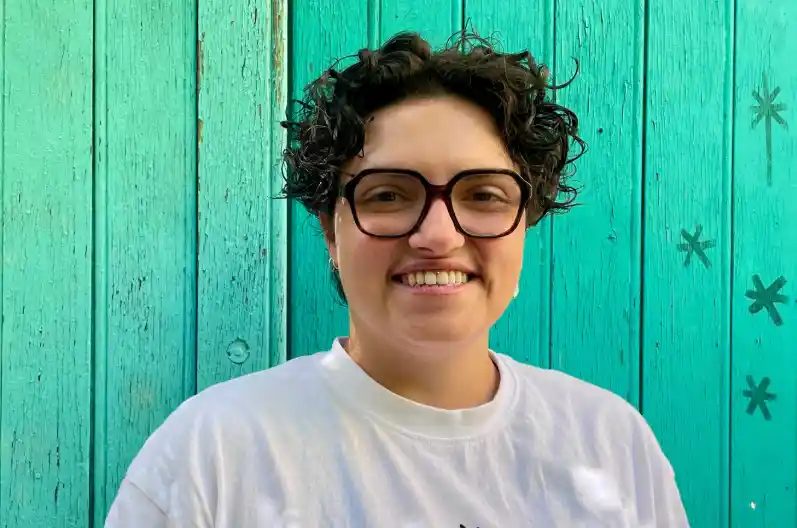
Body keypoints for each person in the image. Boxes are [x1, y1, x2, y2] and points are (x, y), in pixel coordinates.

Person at [105, 31, 690, 527]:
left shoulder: (613, 445)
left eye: (483, 195)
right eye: (388, 195)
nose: (438, 235)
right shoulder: (210, 456)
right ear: (330, 232)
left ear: (524, 224)